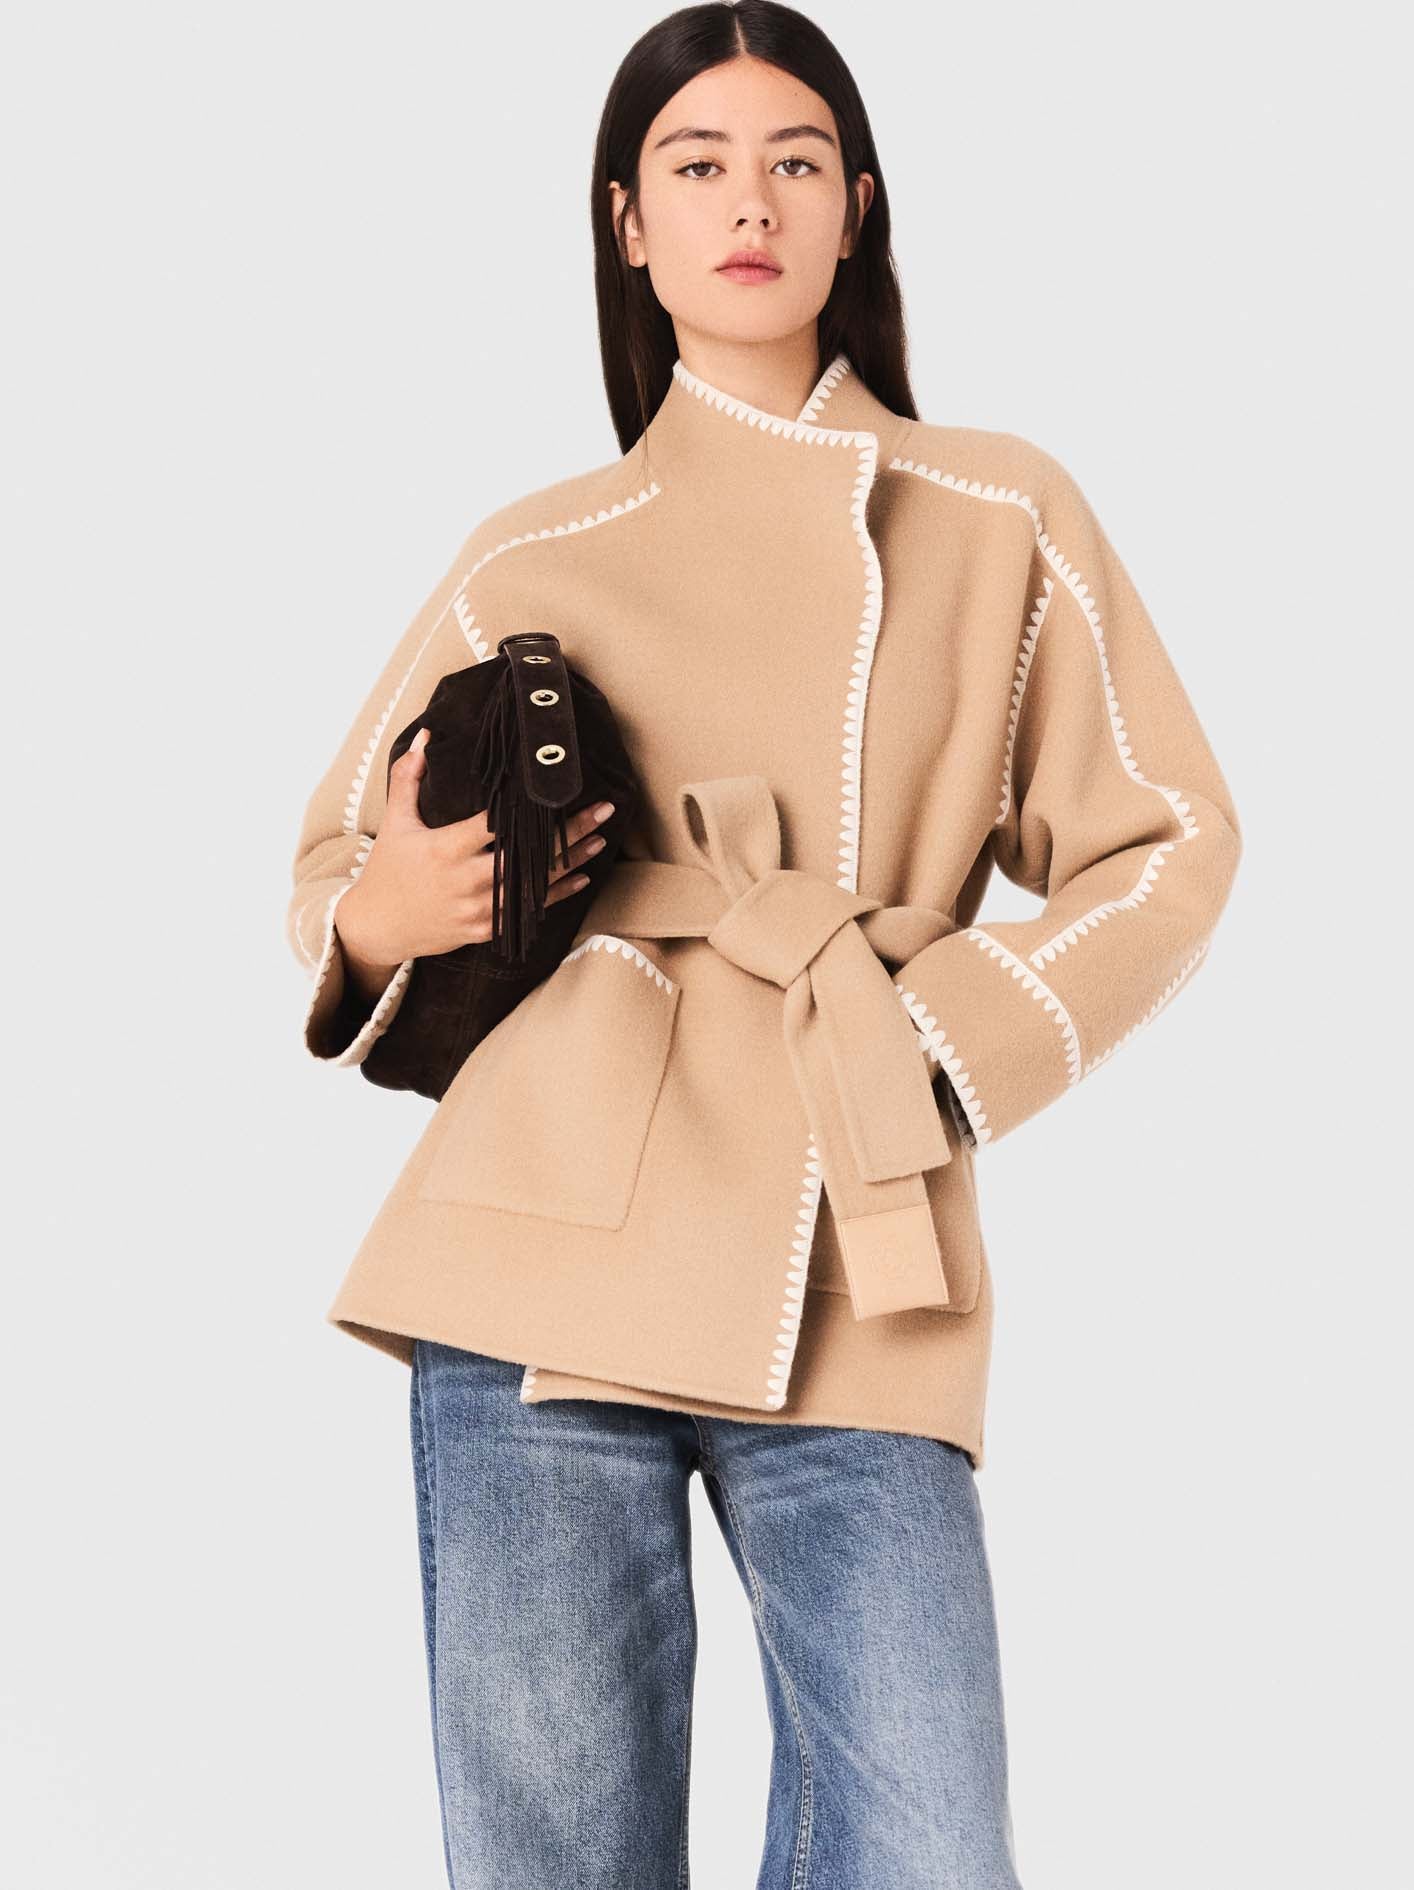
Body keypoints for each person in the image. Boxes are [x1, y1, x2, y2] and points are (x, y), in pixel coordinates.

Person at [286, 6, 1243, 1884]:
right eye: (699, 165)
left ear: (856, 209)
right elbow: (335, 861)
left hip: (860, 1242)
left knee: (930, 1850)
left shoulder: (997, 508)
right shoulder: (532, 548)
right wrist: (389, 909)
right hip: (540, 1238)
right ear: (627, 223)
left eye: (796, 161)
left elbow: (1173, 839)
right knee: (556, 1858)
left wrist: (946, 1035)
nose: (751, 202)